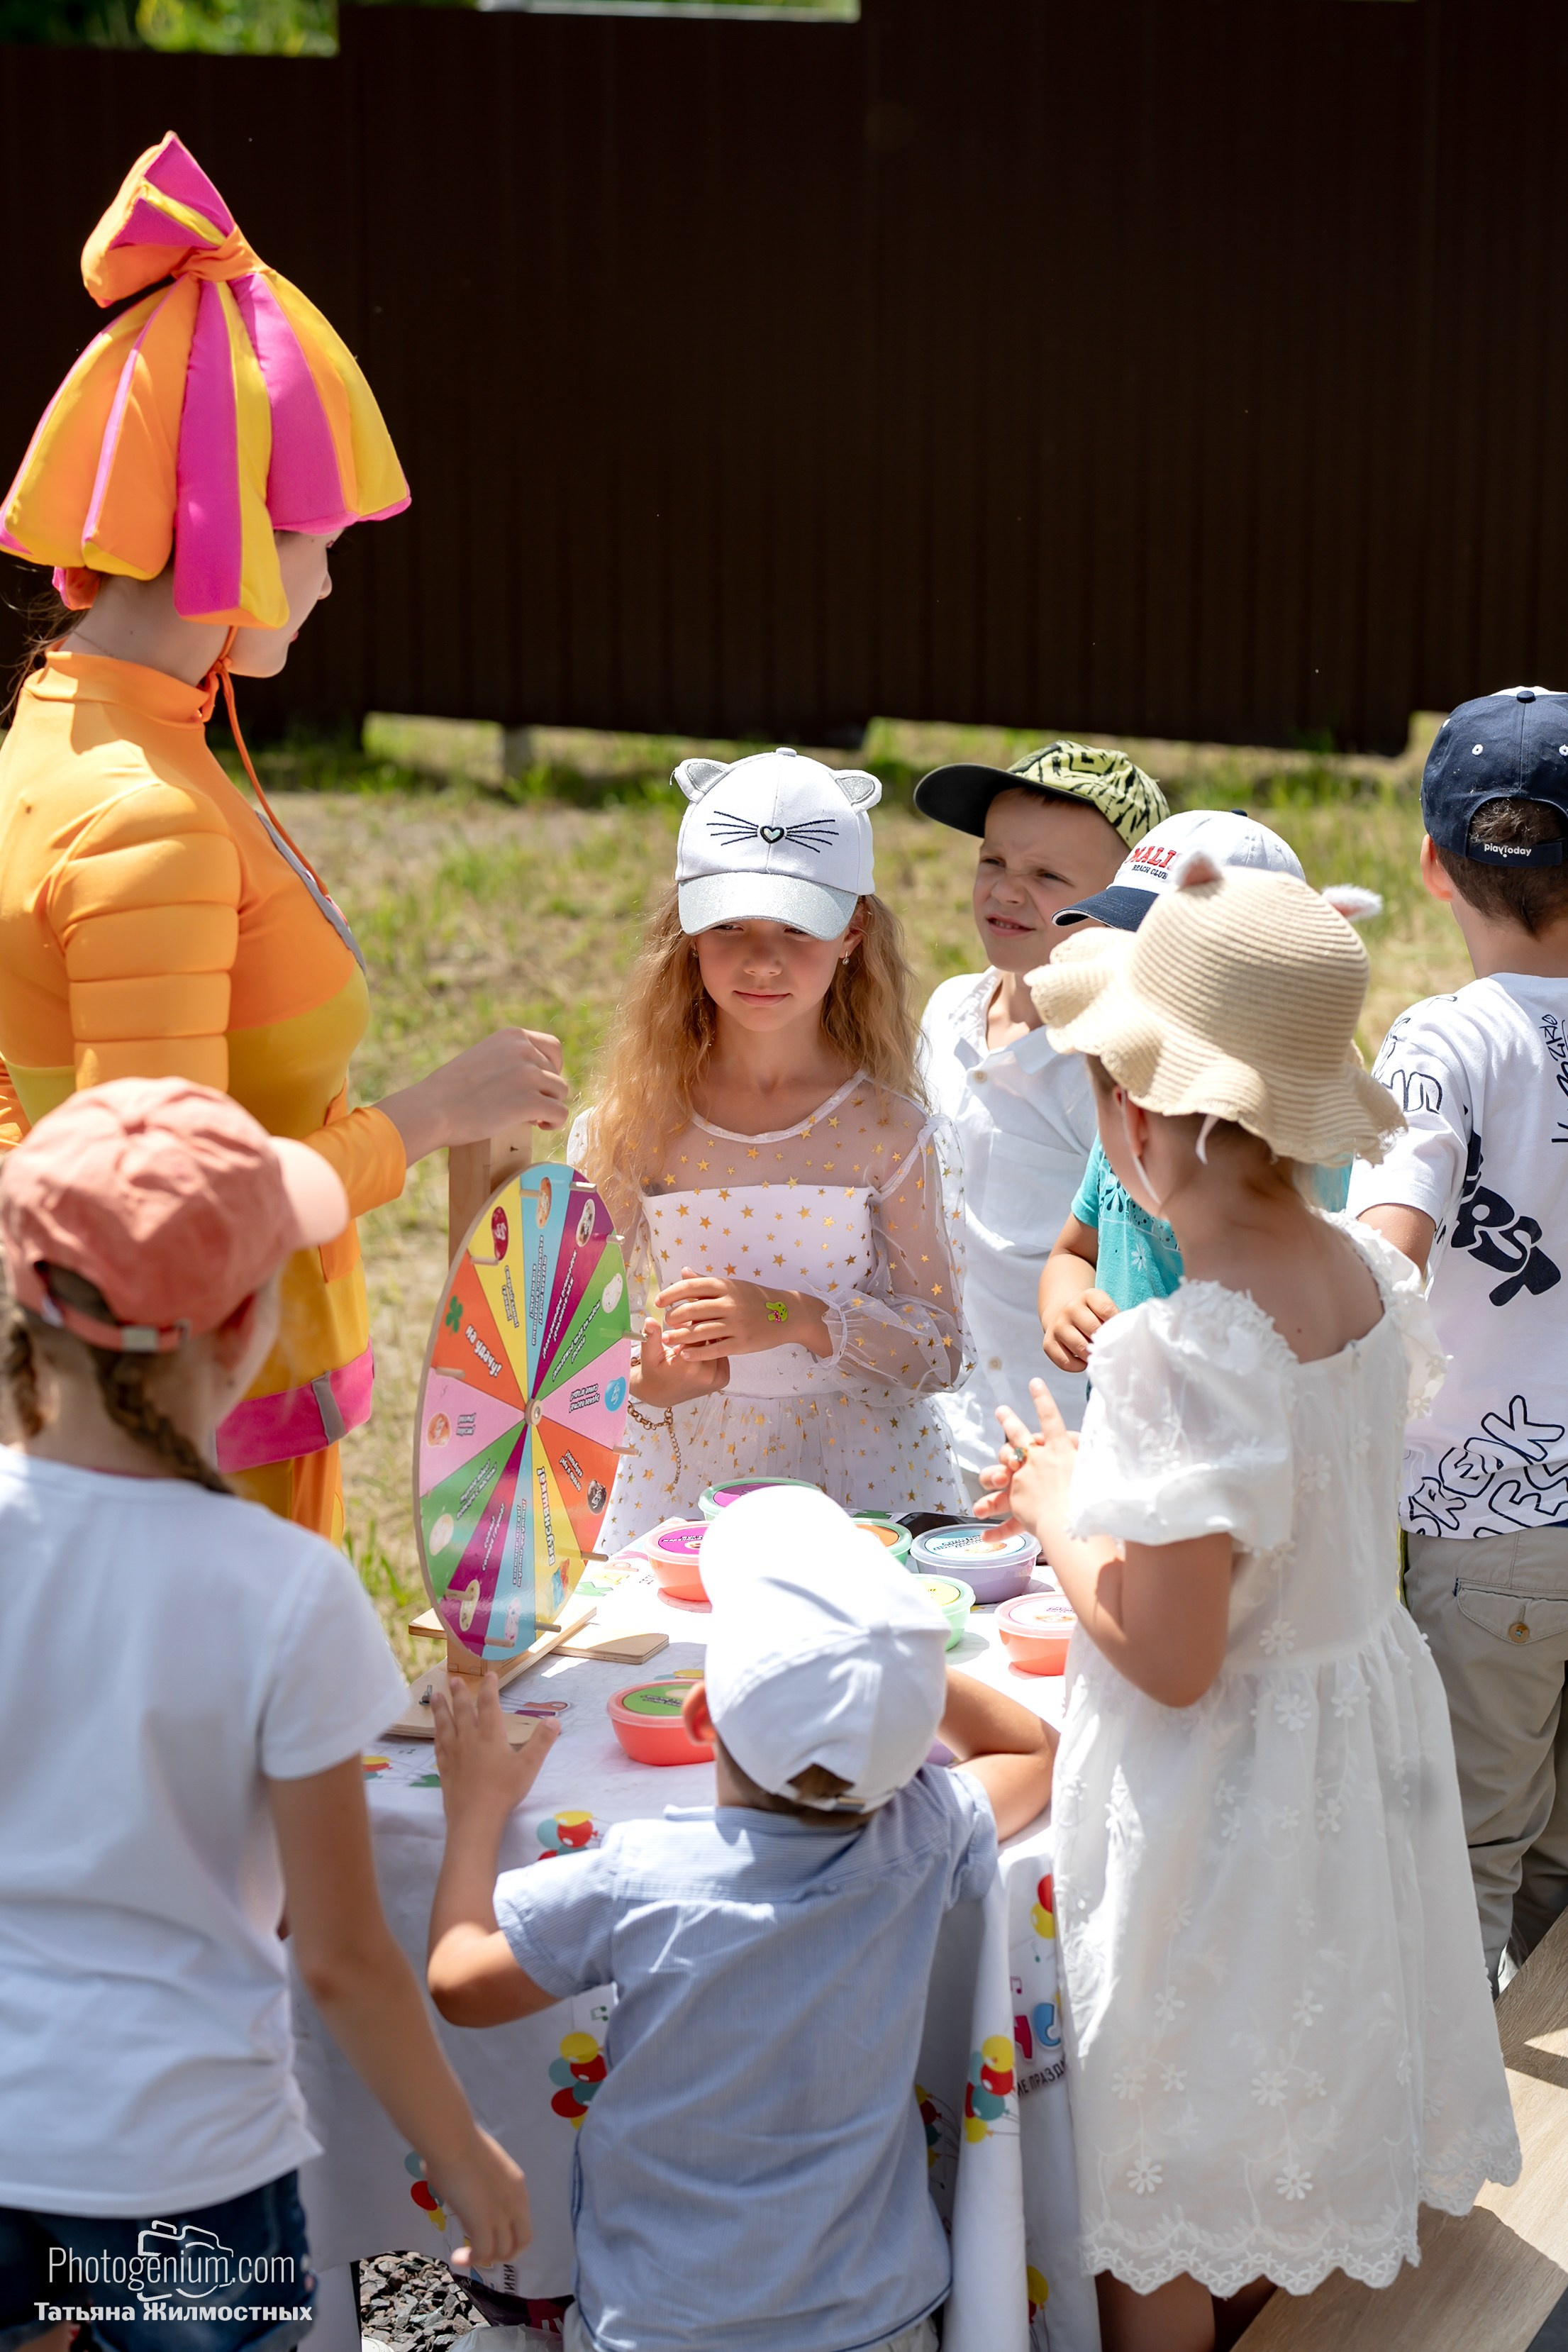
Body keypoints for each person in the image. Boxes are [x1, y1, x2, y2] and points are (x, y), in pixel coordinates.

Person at [976, 862, 1518, 2352]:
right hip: (1347, 1761)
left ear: (1135, 1119)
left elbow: (1169, 1651)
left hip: (1222, 1786)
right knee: (1286, 2093)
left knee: (1163, 2128)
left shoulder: (1177, 1343)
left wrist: (1050, 1498)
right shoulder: (1355, 1275)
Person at [0, 133, 567, 1541]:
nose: (323, 582)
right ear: (231, 537)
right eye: (317, 541)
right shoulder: (142, 813)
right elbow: (166, 1231)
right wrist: (434, 1113)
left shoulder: (63, 730)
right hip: (190, 1449)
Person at [0, 1080, 540, 2352]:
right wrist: (463, 2154)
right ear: (246, 1324)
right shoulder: (285, 1591)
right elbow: (344, 1957)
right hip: (185, 2164)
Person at [423, 1486, 1057, 2352]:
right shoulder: (919, 1836)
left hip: (664, 2325)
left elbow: (459, 1981)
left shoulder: (640, 1873)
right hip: (876, 2321)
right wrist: (884, 1666)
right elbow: (1031, 1750)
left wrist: (474, 1814)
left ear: (698, 1716)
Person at [572, 746, 967, 1546]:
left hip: (861, 1491)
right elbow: (569, 1347)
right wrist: (651, 1380)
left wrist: (793, 1315)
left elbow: (939, 1349)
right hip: (681, 1489)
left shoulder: (889, 1132)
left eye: (798, 926)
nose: (762, 959)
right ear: (686, 929)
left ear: (854, 927)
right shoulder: (631, 1125)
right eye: (728, 927)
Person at [1348, 687, 1568, 1988]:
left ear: (1432, 865)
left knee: (1465, 1860)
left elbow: (1388, 1246)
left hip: (1488, 1529)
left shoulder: (1445, 1037)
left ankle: (1454, 2165)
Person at [1037, 811, 1378, 1374]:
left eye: (1164, 967)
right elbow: (1073, 1250)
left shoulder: (1318, 1154)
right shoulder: (1129, 1110)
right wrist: (1064, 1305)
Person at [913, 740, 1167, 1486]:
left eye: (1048, 876)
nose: (1006, 891)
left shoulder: (1118, 1061)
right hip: (950, 1432)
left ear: (1126, 902)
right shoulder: (947, 1011)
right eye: (993, 861)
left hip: (1073, 1439)